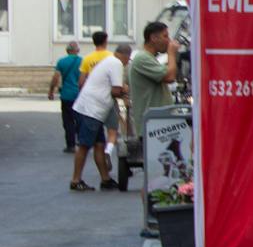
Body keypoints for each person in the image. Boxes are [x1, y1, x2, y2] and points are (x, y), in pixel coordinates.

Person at [70, 43, 131, 192]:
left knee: (99, 144)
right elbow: (116, 90)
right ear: (126, 57)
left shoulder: (109, 60)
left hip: (91, 109)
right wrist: (126, 92)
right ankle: (75, 180)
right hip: (91, 110)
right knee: (84, 145)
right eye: (128, 60)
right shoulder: (116, 63)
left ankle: (105, 179)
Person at [127, 21, 184, 145]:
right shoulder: (142, 58)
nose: (169, 40)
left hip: (159, 125)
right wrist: (171, 54)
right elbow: (170, 76)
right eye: (165, 36)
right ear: (153, 38)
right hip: (153, 127)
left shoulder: (150, 59)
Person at [47, 41, 83, 152]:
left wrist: (51, 91)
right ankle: (81, 142)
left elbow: (55, 78)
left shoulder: (61, 62)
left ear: (67, 50)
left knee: (68, 121)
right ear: (78, 50)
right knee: (80, 119)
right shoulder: (83, 61)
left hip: (66, 95)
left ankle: (71, 145)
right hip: (80, 95)